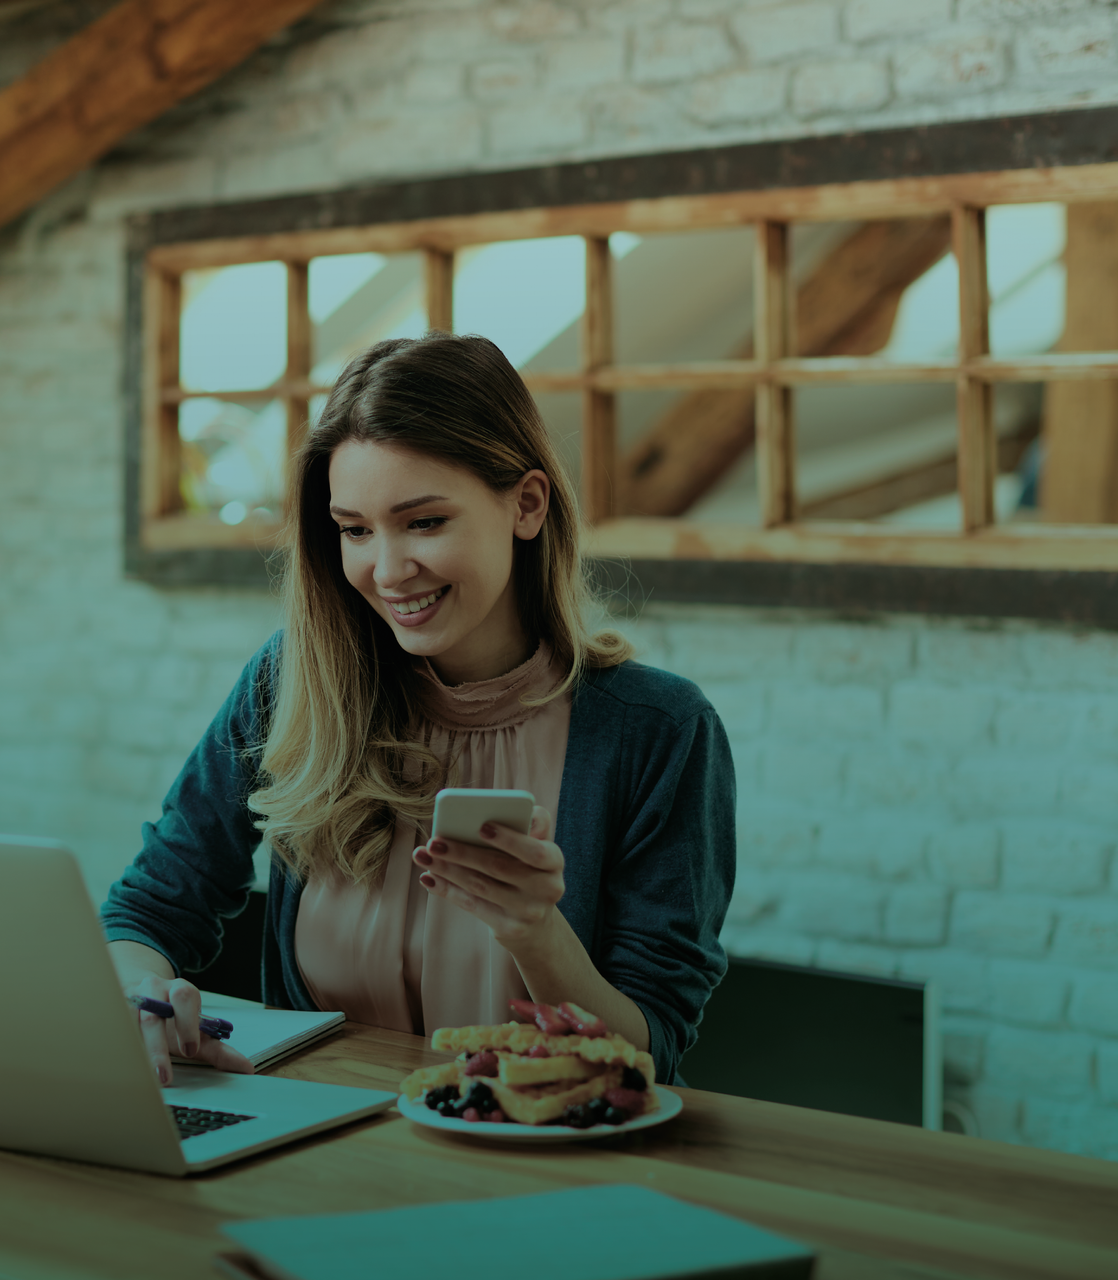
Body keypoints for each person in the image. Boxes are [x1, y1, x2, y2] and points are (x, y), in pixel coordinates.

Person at [101, 333, 735, 1087]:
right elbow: (148, 910)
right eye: (355, 530)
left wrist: (535, 931)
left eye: (425, 522)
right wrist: (139, 994)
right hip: (315, 1155)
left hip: (542, 1174)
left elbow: (648, 1054)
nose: (388, 570)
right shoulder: (293, 683)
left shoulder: (657, 731)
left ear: (526, 505)